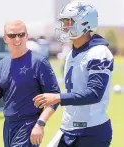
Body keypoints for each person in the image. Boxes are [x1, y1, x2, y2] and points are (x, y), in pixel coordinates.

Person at [33, 1, 114, 147]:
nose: (64, 27)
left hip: (91, 130)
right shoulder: (71, 54)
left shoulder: (99, 52)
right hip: (68, 129)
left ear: (84, 23)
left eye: (68, 21)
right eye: (63, 22)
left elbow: (94, 93)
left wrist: (58, 97)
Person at [0, 20, 60, 147]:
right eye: (12, 35)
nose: (17, 39)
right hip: (8, 126)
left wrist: (40, 124)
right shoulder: (2, 65)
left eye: (21, 34)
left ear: (27, 36)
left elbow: (55, 97)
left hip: (29, 125)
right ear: (5, 38)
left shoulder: (39, 62)